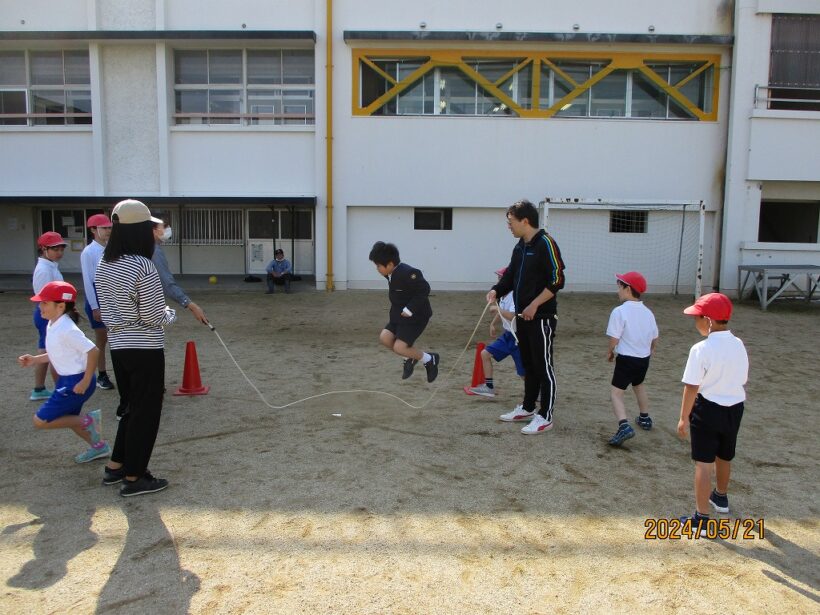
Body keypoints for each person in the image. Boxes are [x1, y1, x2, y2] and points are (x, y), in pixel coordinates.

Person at [95, 199, 177, 497]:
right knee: (146, 413)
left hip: (119, 345)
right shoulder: (143, 265)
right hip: (144, 347)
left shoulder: (105, 262)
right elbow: (155, 315)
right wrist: (170, 314)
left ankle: (116, 466)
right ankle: (134, 476)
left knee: (131, 408)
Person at [488, 199, 565, 435]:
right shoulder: (520, 247)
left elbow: (557, 280)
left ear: (525, 221)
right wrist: (496, 290)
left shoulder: (546, 243)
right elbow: (511, 275)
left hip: (541, 317)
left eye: (511, 222)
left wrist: (534, 304)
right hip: (522, 318)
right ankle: (529, 408)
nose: (508, 226)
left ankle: (546, 416)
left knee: (543, 366)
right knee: (529, 365)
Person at [677, 293, 748, 532]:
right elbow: (744, 378)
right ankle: (721, 496)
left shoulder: (701, 348)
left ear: (707, 320)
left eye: (697, 317)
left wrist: (683, 417)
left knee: (703, 463)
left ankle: (702, 518)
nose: (694, 322)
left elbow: (691, 386)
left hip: (707, 409)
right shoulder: (738, 344)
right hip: (735, 408)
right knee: (725, 456)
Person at [18, 280, 109, 463]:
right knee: (70, 419)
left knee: (40, 420)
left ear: (60, 306)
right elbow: (56, 353)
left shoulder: (67, 329)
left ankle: (88, 421)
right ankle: (99, 447)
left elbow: (94, 351)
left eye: (44, 303)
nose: (40, 306)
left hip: (75, 382)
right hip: (68, 381)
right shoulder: (53, 323)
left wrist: (84, 381)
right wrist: (35, 360)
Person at [369, 241, 439, 382]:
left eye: (378, 266)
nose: (377, 269)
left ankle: (430, 359)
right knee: (385, 338)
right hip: (398, 317)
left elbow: (424, 289)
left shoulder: (408, 272)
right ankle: (409, 358)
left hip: (416, 318)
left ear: (389, 264)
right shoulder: (390, 273)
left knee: (399, 347)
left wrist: (410, 309)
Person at [605, 271, 659, 446]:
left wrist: (611, 351)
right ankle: (644, 417)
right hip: (643, 359)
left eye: (619, 287)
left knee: (616, 393)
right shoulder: (648, 312)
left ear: (627, 288)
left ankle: (623, 425)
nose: (618, 291)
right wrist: (649, 350)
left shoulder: (620, 311)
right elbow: (654, 338)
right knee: (639, 385)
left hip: (626, 359)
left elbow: (614, 338)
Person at [466, 267, 525, 397]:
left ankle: (537, 392)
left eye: (501, 277)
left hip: (518, 338)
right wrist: (493, 323)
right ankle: (489, 387)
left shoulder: (515, 295)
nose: (498, 280)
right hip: (508, 335)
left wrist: (497, 310)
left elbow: (513, 316)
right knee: (485, 353)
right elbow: (501, 309)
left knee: (523, 372)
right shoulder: (503, 295)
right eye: (498, 277)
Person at [29, 231, 66, 401]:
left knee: (45, 350)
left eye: (60, 248)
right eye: (55, 249)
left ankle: (39, 388)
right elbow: (45, 298)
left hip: (50, 313)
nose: (59, 252)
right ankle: (60, 390)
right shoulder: (44, 270)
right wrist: (58, 315)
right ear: (44, 249)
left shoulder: (49, 266)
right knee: (53, 352)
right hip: (49, 314)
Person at [80, 213, 116, 390]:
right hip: (97, 297)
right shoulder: (89, 252)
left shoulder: (112, 247)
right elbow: (88, 281)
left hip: (113, 296)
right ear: (93, 230)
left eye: (109, 227)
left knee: (117, 337)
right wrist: (95, 306)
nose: (108, 230)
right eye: (104, 228)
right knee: (101, 339)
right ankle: (101, 374)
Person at [151, 218, 209, 325]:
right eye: (164, 227)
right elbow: (167, 284)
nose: (168, 230)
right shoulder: (154, 251)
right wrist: (192, 305)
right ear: (153, 230)